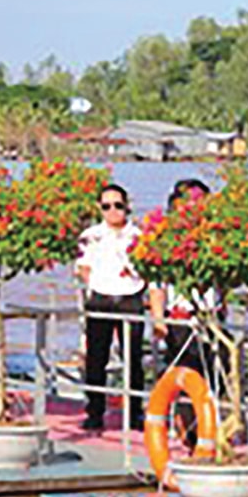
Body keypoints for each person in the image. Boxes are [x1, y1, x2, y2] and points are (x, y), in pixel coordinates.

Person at [74, 183, 148, 432]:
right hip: (101, 299)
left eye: (118, 205)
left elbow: (150, 268)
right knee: (96, 359)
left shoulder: (139, 235)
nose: (113, 211)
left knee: (133, 358)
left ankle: (135, 413)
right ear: (100, 208)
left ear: (127, 206)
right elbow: (83, 267)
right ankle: (95, 412)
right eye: (107, 206)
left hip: (130, 298)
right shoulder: (91, 235)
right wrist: (96, 285)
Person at [151, 178, 213, 447]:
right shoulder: (166, 243)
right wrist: (158, 319)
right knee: (184, 375)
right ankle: (186, 434)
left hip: (211, 319)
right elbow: (156, 285)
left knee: (211, 377)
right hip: (180, 319)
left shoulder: (215, 239)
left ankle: (208, 434)